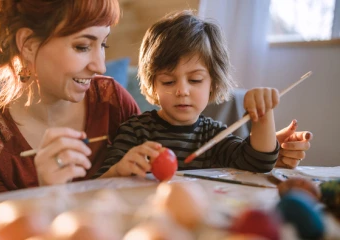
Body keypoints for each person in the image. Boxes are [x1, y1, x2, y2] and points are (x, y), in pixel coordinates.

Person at [0, 0, 140, 200]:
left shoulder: (113, 102)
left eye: (103, 44)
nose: (100, 66)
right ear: (28, 45)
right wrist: (47, 196)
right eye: (82, 46)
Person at [97, 10, 311, 178]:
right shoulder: (134, 131)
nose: (182, 90)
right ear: (153, 85)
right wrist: (120, 169)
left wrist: (263, 114)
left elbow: (259, 163)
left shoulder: (214, 135)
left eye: (195, 80)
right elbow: (102, 181)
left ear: (213, 84)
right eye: (169, 81)